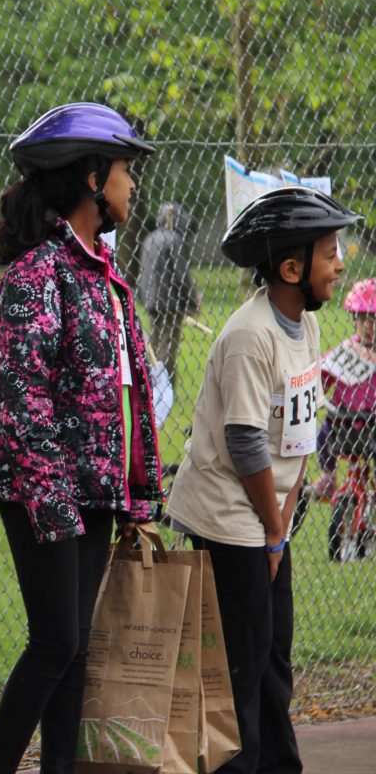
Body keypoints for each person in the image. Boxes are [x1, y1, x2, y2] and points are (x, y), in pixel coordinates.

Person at [0, 102, 164, 773]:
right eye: (123, 170)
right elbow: (18, 399)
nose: (132, 184)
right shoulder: (38, 275)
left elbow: (126, 395)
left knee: (77, 647)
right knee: (54, 641)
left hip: (94, 491)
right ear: (89, 177)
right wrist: (55, 504)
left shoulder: (102, 274)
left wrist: (132, 490)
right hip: (45, 492)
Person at [166, 186, 360, 773]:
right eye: (330, 254)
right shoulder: (250, 336)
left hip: (268, 519)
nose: (341, 265)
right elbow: (245, 441)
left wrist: (283, 522)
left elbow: (298, 437)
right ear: (291, 267)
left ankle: (280, 765)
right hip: (229, 516)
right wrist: (274, 533)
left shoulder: (304, 326)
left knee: (275, 656)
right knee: (241, 666)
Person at [308, 278, 376, 512]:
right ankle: (328, 477)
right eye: (362, 319)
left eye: (374, 320)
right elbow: (325, 374)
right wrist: (315, 391)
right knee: (322, 437)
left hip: (372, 422)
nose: (368, 327)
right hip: (341, 421)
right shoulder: (349, 349)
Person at [136, 201, 201, 390]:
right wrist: (192, 301)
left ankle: (151, 384)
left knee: (154, 343)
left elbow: (143, 270)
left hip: (150, 299)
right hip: (170, 302)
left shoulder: (149, 238)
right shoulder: (174, 239)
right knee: (169, 345)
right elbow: (182, 275)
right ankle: (166, 388)